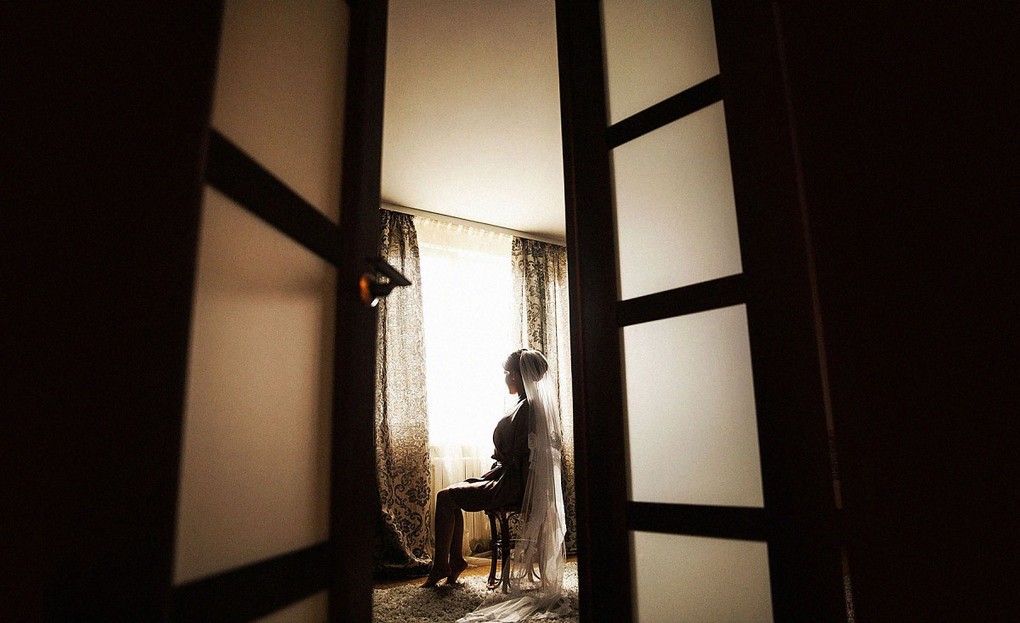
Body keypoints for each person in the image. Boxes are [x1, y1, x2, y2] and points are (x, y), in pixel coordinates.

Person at [422, 349, 537, 588]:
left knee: (445, 497)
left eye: (507, 373)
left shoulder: (527, 408)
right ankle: (453, 561)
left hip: (511, 484)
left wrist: (525, 491)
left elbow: (525, 454)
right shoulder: (523, 405)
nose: (505, 378)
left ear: (516, 375)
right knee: (450, 495)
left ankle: (444, 564)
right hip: (505, 476)